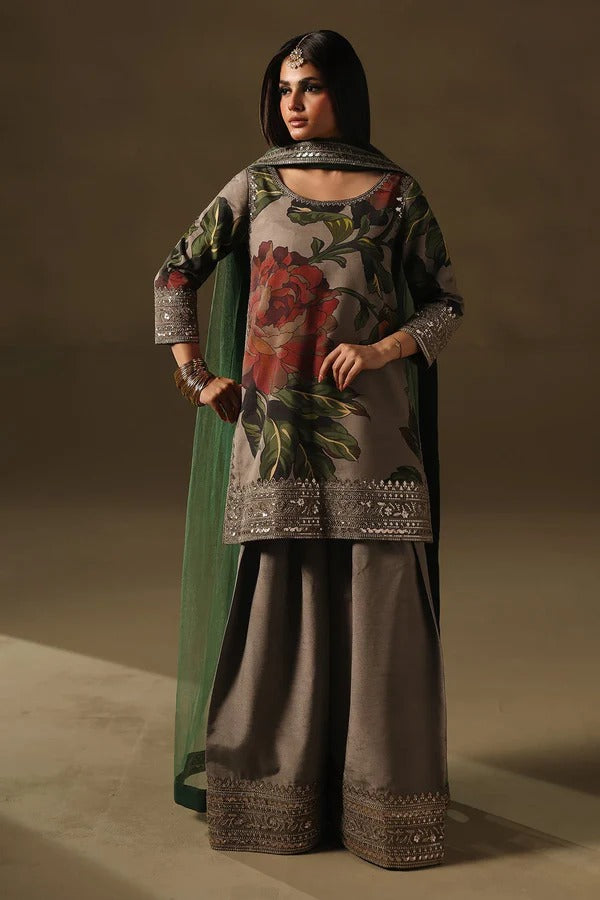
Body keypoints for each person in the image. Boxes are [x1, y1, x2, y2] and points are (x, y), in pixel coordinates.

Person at [154, 29, 465, 870]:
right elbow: (174, 273)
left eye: (312, 87)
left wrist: (382, 349)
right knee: (280, 606)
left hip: (374, 436)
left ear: (344, 93)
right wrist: (197, 376)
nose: (293, 104)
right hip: (279, 434)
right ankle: (276, 795)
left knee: (380, 606)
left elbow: (444, 303)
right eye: (284, 89)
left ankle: (383, 808)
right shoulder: (256, 185)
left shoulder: (396, 192)